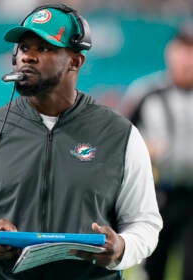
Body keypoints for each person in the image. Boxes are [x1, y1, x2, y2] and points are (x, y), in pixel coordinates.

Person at [0, 3, 162, 279]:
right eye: (23, 47)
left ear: (75, 61)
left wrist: (123, 248)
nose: (28, 57)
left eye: (44, 48)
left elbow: (145, 223)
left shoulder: (120, 135)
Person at [120, 21, 193, 280]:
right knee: (151, 268)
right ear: (170, 51)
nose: (187, 58)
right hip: (160, 194)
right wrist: (144, 151)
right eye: (183, 49)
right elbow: (122, 143)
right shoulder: (147, 92)